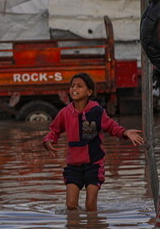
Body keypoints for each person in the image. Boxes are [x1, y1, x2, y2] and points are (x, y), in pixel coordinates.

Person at [42, 73, 144, 212]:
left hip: (94, 164)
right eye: (72, 86)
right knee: (71, 206)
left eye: (79, 86)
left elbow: (112, 126)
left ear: (89, 91)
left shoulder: (97, 111)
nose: (74, 89)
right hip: (73, 165)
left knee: (90, 206)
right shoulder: (65, 112)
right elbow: (54, 130)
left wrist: (125, 132)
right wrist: (48, 140)